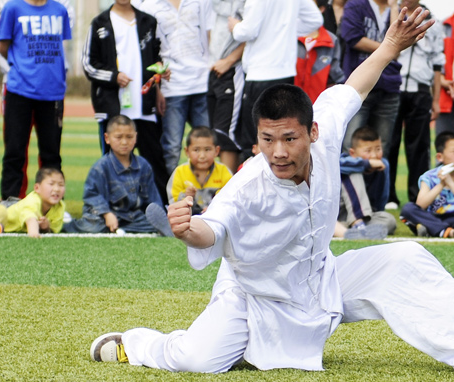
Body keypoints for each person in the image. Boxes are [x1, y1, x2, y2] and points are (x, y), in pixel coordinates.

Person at [90, 9, 454, 374]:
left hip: (320, 279)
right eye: (267, 139)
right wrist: (187, 230)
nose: (278, 151)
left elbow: (354, 87)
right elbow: (211, 230)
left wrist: (391, 44)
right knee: (197, 360)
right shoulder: (248, 184)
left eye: (289, 138)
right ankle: (136, 343)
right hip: (255, 294)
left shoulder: (324, 131)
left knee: (405, 259)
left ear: (311, 133)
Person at [82, 0, 171, 203]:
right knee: (112, 162)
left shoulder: (148, 21)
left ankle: (162, 208)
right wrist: (114, 77)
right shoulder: (99, 23)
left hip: (145, 106)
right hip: (113, 106)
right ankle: (112, 208)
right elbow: (87, 64)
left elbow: (157, 57)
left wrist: (158, 83)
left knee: (154, 159)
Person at [0, 0, 74, 199]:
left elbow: (59, 46)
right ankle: (11, 201)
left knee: (51, 154)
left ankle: (52, 203)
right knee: (15, 151)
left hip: (53, 91)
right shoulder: (12, 8)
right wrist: (21, 65)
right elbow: (2, 46)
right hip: (19, 89)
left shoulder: (59, 10)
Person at [228, 0, 323, 160]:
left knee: (255, 139)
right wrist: (283, 30)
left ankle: (257, 183)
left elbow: (247, 31)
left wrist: (235, 26)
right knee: (284, 134)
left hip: (260, 73)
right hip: (285, 72)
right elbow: (315, 20)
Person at [138, 0, 214, 175]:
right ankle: (172, 198)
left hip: (202, 81)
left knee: (206, 145)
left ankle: (205, 197)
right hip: (172, 86)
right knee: (171, 148)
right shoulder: (148, 6)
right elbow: (150, 50)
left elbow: (210, 33)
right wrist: (157, 88)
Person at [63, 115, 172, 236]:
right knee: (91, 225)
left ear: (136, 137)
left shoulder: (143, 166)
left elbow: (152, 198)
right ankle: (67, 223)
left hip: (132, 216)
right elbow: (92, 195)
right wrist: (106, 214)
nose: (124, 142)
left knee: (154, 222)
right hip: (104, 216)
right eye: (119, 137)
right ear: (107, 138)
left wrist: (157, 216)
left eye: (129, 137)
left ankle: (128, 227)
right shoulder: (100, 167)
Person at [387, 0, 444, 208]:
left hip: (421, 89)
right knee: (390, 143)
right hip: (395, 86)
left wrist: (436, 99)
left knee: (419, 146)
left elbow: (438, 61)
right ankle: (389, 196)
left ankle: (417, 196)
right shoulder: (393, 12)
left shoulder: (432, 19)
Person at [340, 0, 400, 157]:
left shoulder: (398, 9)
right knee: (350, 145)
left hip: (389, 85)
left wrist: (394, 8)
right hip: (358, 85)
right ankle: (349, 183)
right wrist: (390, 48)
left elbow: (400, 41)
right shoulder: (356, 5)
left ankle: (377, 182)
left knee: (382, 148)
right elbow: (353, 38)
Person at [207, 0, 246, 173]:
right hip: (211, 70)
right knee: (215, 135)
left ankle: (228, 192)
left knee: (227, 134)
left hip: (232, 70)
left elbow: (255, 33)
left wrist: (229, 61)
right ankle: (219, 191)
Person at [338, 126, 396, 236]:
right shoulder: (345, 161)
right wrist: (366, 164)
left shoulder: (383, 166)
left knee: (390, 221)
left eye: (378, 149)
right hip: (340, 213)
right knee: (354, 172)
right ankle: (356, 223)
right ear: (352, 153)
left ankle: (349, 230)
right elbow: (335, 165)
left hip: (367, 216)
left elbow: (382, 199)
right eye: (368, 151)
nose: (374, 155)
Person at [167, 126, 233, 215]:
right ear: (187, 152)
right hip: (188, 218)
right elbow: (174, 203)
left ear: (216, 151)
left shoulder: (223, 171)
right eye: (196, 150)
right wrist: (187, 196)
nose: (202, 156)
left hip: (215, 216)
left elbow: (231, 197)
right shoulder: (180, 172)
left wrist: (214, 206)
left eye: (207, 149)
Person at [400, 132, 454, 238]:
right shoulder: (429, 176)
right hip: (432, 216)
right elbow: (420, 204)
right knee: (408, 209)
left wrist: (450, 183)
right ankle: (447, 231)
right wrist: (441, 184)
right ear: (440, 157)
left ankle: (431, 230)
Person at [295, 0, 346, 103]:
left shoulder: (331, 40)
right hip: (289, 107)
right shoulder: (288, 36)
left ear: (321, 9)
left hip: (318, 107)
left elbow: (335, 77)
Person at [4, 167, 66, 238]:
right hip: (4, 212)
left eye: (61, 185)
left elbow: (53, 230)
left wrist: (46, 227)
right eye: (51, 184)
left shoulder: (60, 206)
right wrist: (34, 234)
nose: (57, 189)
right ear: (37, 188)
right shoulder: (33, 200)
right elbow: (30, 217)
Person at [436, 12, 454, 136]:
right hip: (445, 96)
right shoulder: (443, 26)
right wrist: (441, 79)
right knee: (445, 145)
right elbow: (433, 58)